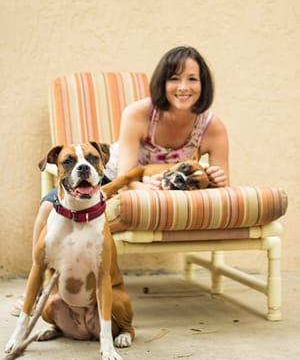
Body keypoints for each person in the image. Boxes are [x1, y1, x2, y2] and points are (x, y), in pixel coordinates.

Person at [11, 46, 229, 315]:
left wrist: (216, 177)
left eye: (192, 79)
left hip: (164, 187)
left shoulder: (211, 126)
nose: (183, 87)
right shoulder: (139, 113)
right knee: (47, 207)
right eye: (174, 78)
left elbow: (221, 180)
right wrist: (140, 187)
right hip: (110, 177)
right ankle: (42, 290)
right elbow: (126, 173)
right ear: (161, 83)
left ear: (203, 84)